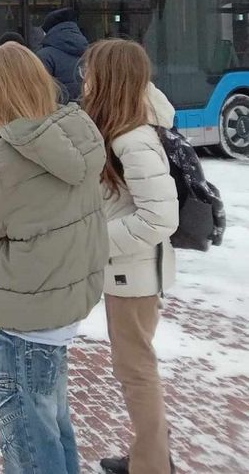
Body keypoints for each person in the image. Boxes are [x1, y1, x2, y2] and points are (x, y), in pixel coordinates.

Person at [0, 42, 108, 474]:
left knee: (28, 438)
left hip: (27, 313)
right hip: (62, 301)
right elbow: (36, 192)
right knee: (52, 421)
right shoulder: (74, 130)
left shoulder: (11, 162)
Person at [81, 40, 178, 474]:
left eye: (91, 72)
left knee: (136, 371)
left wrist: (95, 240)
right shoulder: (126, 126)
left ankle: (153, 466)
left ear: (108, 79)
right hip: (131, 271)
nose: (84, 80)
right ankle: (148, 456)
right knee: (136, 368)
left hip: (133, 275)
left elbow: (159, 218)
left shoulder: (132, 138)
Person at [36, 8, 89, 101]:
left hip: (59, 111)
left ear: (49, 31)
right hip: (87, 111)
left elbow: (41, 91)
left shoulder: (44, 55)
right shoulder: (92, 52)